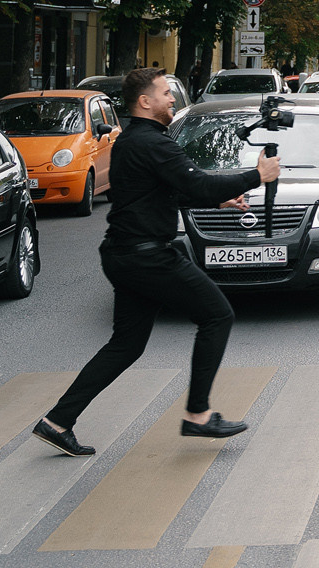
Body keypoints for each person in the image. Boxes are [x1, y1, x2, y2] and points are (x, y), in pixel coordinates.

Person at [33, 67, 280, 456]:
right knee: (217, 315)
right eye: (165, 93)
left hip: (124, 254)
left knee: (126, 345)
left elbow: (160, 193)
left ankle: (57, 421)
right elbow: (195, 182)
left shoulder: (134, 141)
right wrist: (256, 175)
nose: (171, 99)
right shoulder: (153, 143)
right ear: (145, 101)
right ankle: (198, 414)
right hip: (148, 257)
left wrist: (218, 199)